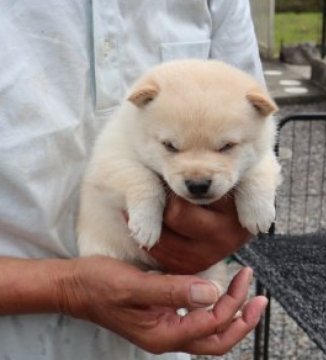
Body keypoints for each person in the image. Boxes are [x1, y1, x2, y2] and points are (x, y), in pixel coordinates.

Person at [0, 0, 268, 359]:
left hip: (167, 332)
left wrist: (225, 229)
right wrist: (66, 288)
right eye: (172, 147)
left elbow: (257, 136)